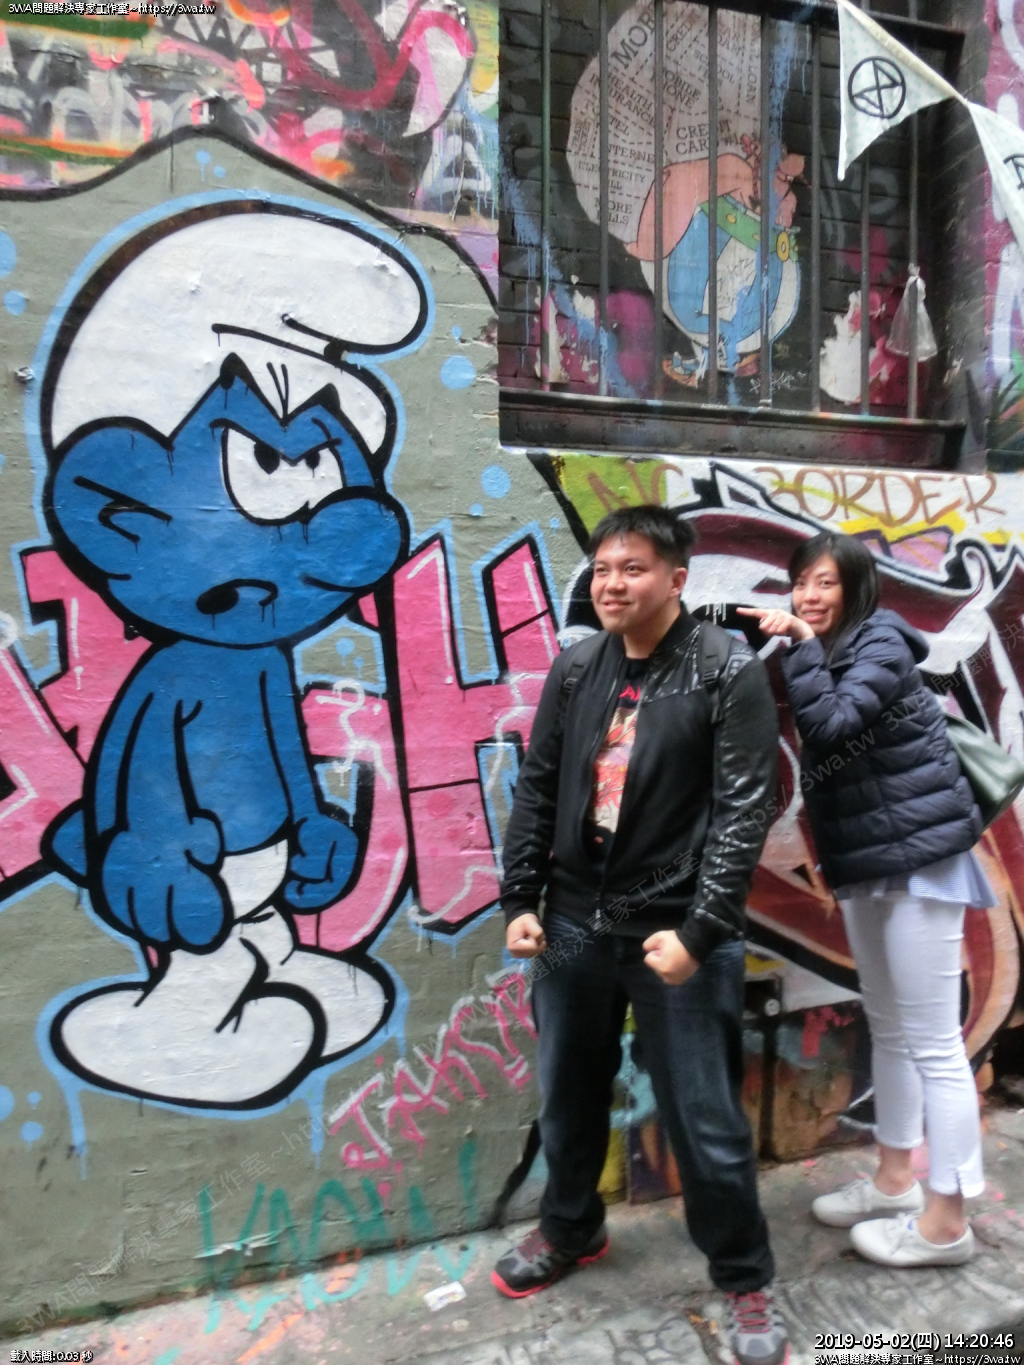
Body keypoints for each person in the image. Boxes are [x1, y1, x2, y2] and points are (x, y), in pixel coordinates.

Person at [493, 504, 788, 1365]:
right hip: (574, 920)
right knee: (567, 1092)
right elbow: (539, 784)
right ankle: (570, 1228)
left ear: (676, 578)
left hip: (679, 929)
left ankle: (744, 1276)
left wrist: (701, 930)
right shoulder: (578, 665)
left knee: (705, 1117)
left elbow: (743, 813)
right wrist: (521, 897)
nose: (611, 583)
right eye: (602, 568)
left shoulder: (726, 668)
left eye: (633, 568)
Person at [740, 531, 991, 1269]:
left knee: (935, 1041)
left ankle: (947, 1223)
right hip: (868, 863)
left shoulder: (879, 641)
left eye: (825, 582)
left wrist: (797, 646)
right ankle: (894, 1181)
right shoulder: (832, 649)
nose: (808, 596)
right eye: (800, 583)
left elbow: (832, 725)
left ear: (856, 588)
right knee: (889, 1027)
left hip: (921, 862)